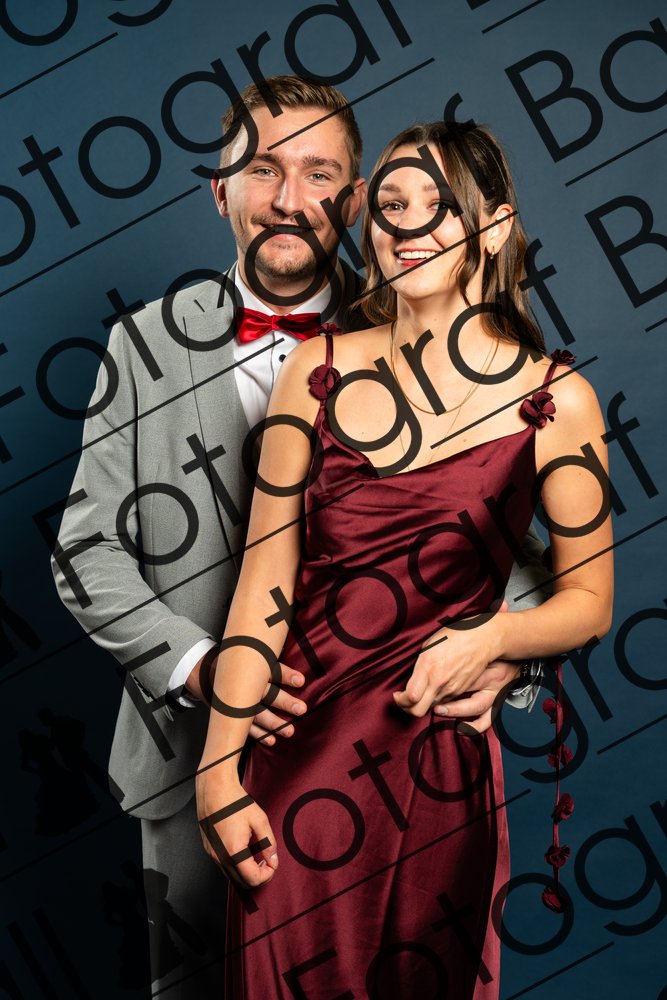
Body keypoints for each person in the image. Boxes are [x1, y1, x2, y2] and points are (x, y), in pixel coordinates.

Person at [52, 80, 546, 998]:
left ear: (354, 201)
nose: (287, 198)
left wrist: (506, 652)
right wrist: (204, 667)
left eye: (318, 174)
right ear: (220, 191)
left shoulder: (423, 327)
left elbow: (508, 534)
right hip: (187, 760)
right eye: (262, 170)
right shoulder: (140, 345)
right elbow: (86, 557)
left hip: (390, 758)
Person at [196, 120, 613, 999]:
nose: (409, 225)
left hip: (438, 778)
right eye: (390, 204)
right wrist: (218, 770)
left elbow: (588, 601)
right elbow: (262, 584)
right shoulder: (313, 370)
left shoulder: (556, 400)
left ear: (493, 228)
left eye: (438, 205)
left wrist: (493, 640)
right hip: (297, 766)